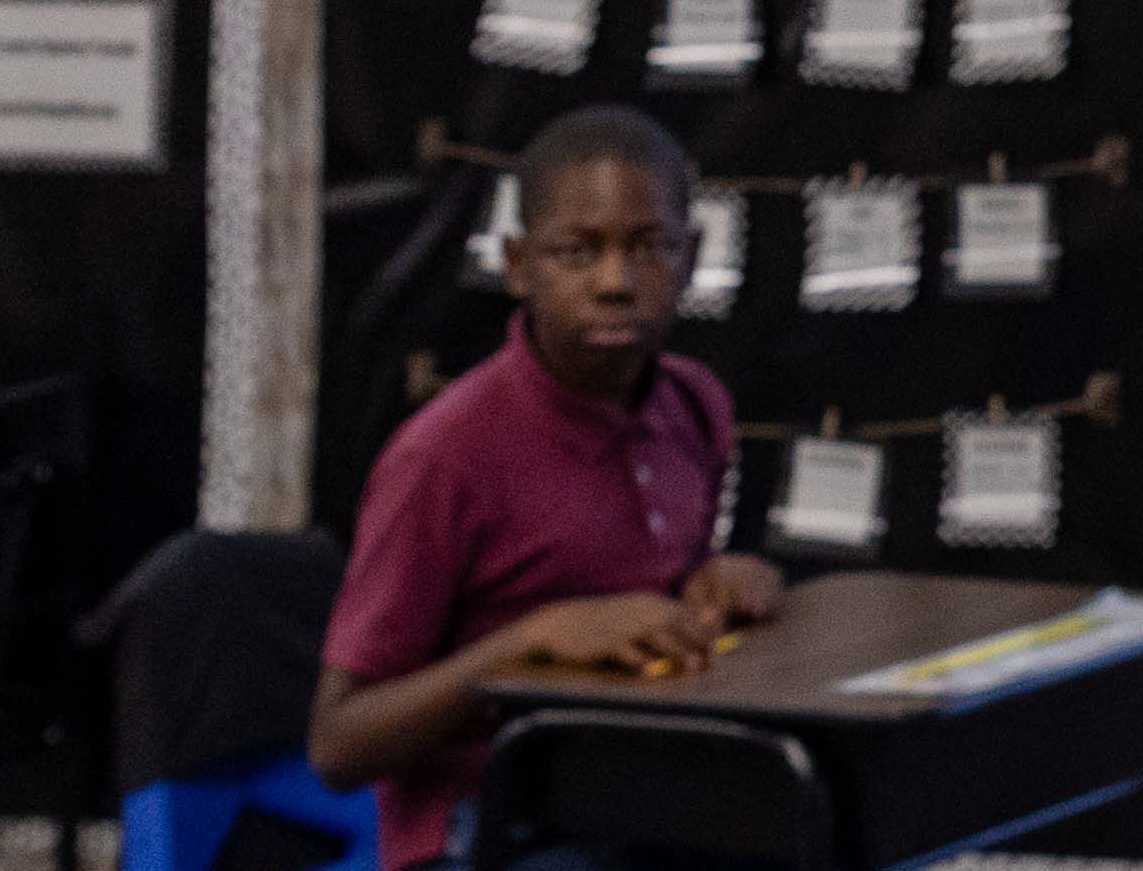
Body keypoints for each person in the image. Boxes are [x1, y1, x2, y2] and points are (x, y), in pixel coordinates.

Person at [311, 106, 789, 868]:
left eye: (649, 247)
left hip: (654, 796)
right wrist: (530, 641)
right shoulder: (444, 455)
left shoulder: (694, 404)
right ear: (518, 264)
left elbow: (655, 608)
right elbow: (339, 744)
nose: (615, 283)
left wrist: (713, 584)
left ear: (692, 257)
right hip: (492, 832)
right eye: (577, 252)